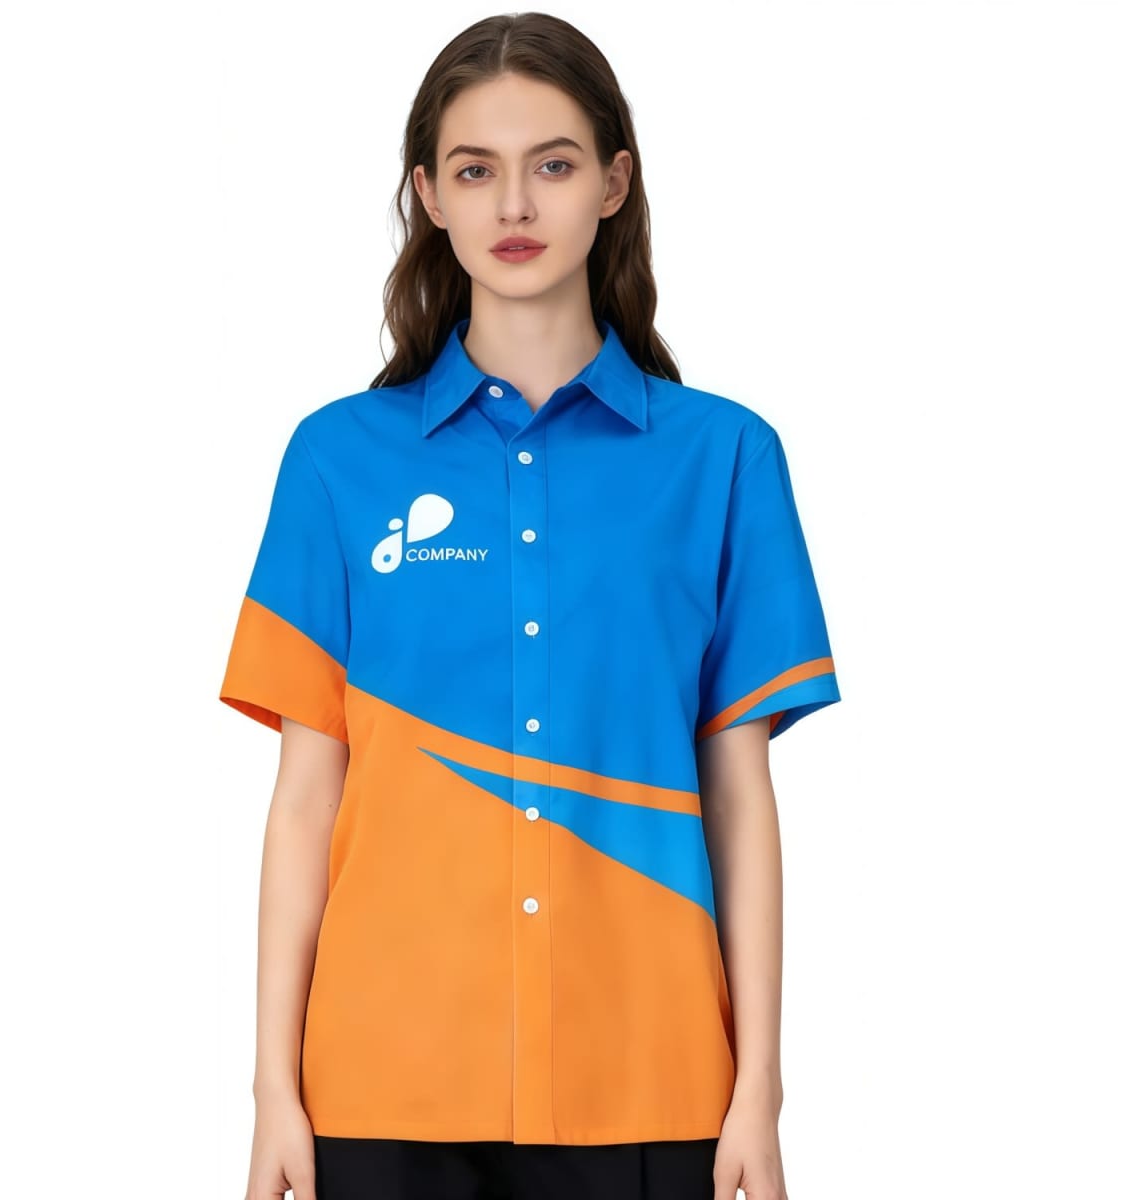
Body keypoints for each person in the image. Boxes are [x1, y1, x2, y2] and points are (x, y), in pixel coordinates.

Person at [218, 12, 841, 1200]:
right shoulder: (336, 463)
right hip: (382, 1085)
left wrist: (757, 1089)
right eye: (474, 171)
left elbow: (739, 797)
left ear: (614, 184)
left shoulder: (724, 461)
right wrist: (273, 1095)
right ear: (428, 197)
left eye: (552, 165)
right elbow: (304, 802)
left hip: (650, 1082)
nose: (514, 204)